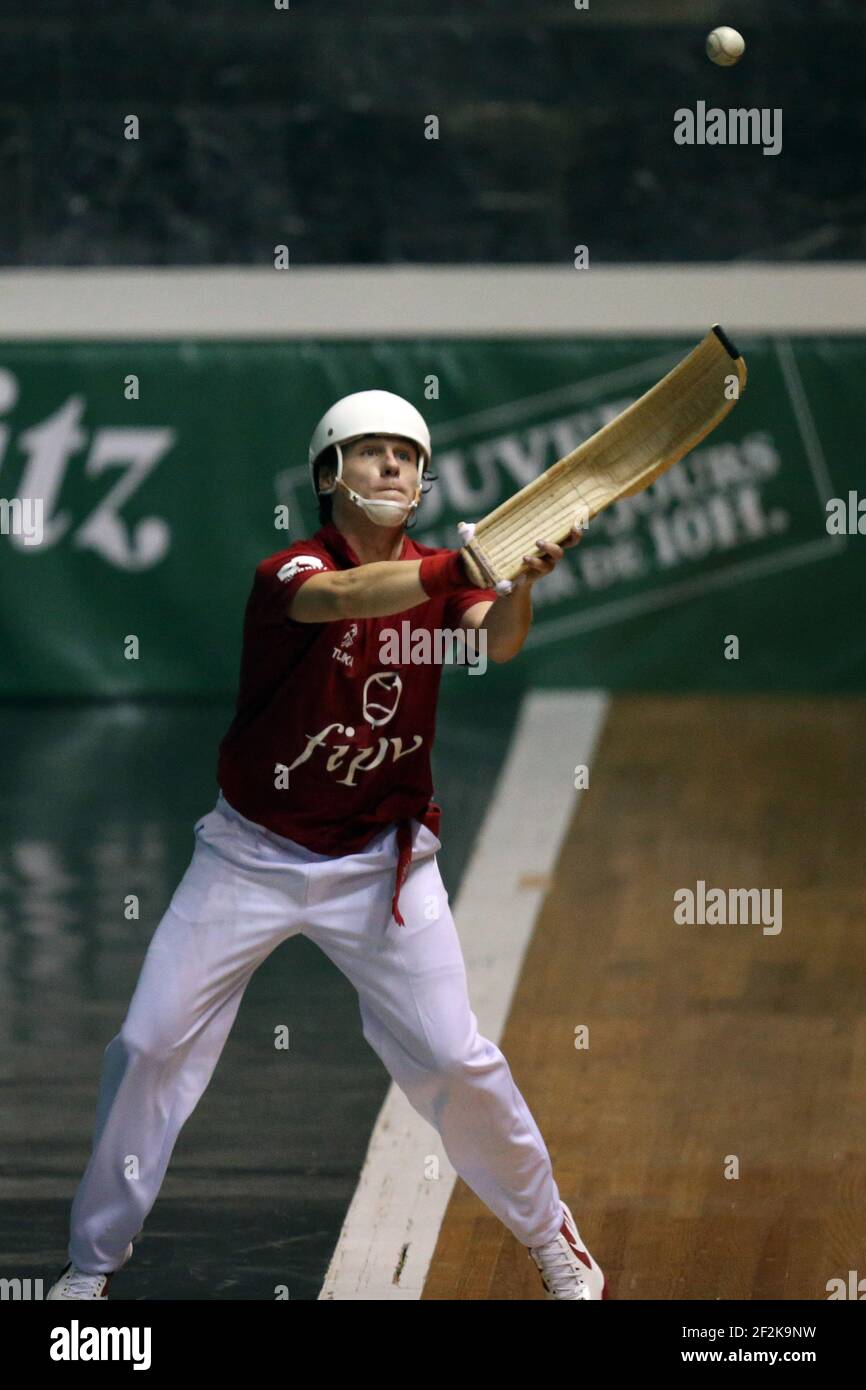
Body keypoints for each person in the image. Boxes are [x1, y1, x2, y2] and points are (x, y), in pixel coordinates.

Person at [47, 389, 607, 1301]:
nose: (395, 467)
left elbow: (494, 643)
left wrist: (522, 581)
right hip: (249, 856)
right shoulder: (291, 572)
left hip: (383, 864)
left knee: (456, 1060)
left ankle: (555, 1244)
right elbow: (344, 598)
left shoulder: (443, 574)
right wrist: (463, 567)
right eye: (373, 452)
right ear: (326, 475)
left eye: (410, 456)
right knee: (149, 1045)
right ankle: (89, 1267)